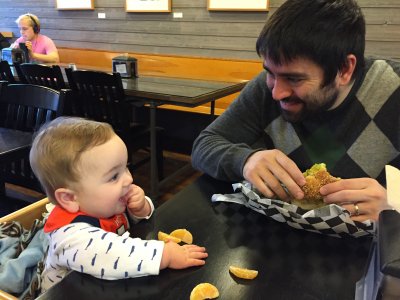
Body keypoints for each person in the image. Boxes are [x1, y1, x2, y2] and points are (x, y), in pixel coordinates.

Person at [192, 0, 400, 222]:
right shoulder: (267, 85)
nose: (277, 93)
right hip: (277, 237)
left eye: (294, 78)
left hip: (368, 247)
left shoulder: (393, 89)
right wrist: (245, 160)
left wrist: (394, 204)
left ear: (344, 69)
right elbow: (204, 144)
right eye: (270, 72)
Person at [29, 117, 208, 293]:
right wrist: (165, 255)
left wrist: (140, 208)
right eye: (114, 176)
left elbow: (132, 221)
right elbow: (114, 254)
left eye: (126, 167)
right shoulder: (70, 238)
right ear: (70, 198)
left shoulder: (103, 204)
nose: (129, 178)